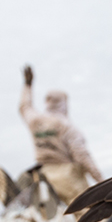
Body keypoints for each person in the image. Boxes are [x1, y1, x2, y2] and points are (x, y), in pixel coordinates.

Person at [18, 65, 103, 204]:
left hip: (44, 178)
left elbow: (24, 107)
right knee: (87, 213)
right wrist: (101, 181)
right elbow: (82, 156)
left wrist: (27, 85)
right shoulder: (67, 127)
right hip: (68, 177)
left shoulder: (35, 121)